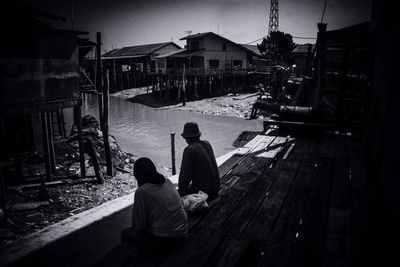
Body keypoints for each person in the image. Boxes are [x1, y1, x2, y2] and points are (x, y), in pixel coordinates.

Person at [121, 157, 188, 249]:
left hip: (167, 240)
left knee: (125, 233)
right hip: (183, 232)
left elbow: (139, 226)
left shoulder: (142, 191)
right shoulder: (167, 181)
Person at [178, 122, 220, 200]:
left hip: (204, 194)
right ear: (198, 135)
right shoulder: (207, 143)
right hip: (215, 189)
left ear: (186, 138)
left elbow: (184, 177)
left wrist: (180, 193)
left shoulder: (189, 150)